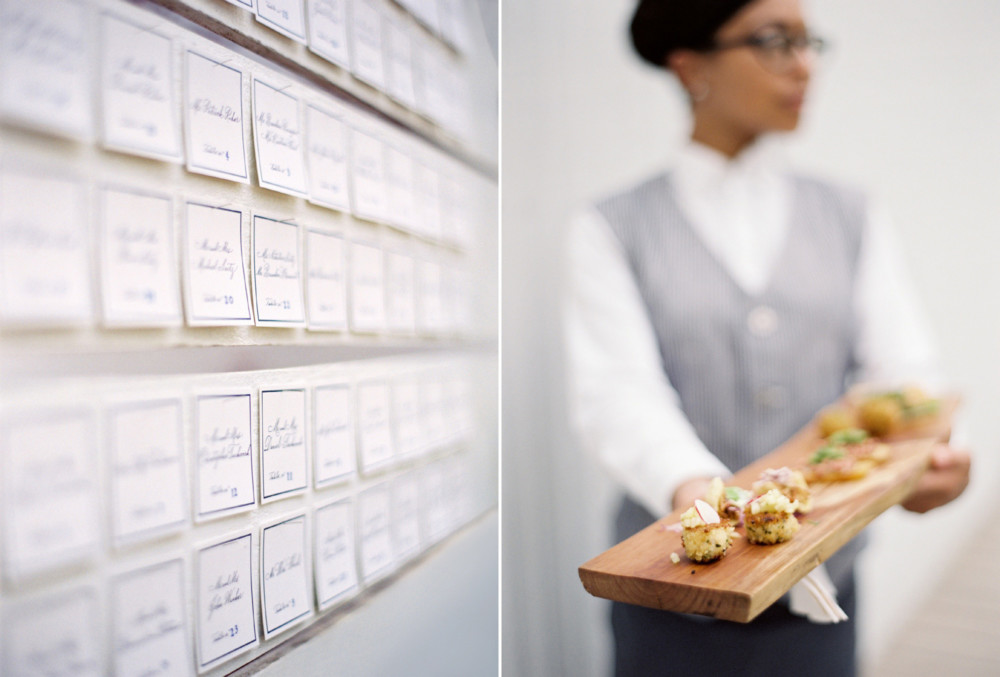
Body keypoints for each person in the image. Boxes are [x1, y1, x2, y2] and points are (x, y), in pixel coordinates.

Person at [563, 0, 972, 674]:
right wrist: (694, 485)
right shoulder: (610, 226)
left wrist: (935, 458)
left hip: (819, 593)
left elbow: (902, 370)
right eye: (774, 40)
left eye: (809, 41)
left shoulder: (850, 212)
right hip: (671, 601)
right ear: (690, 64)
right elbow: (616, 390)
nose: (804, 64)